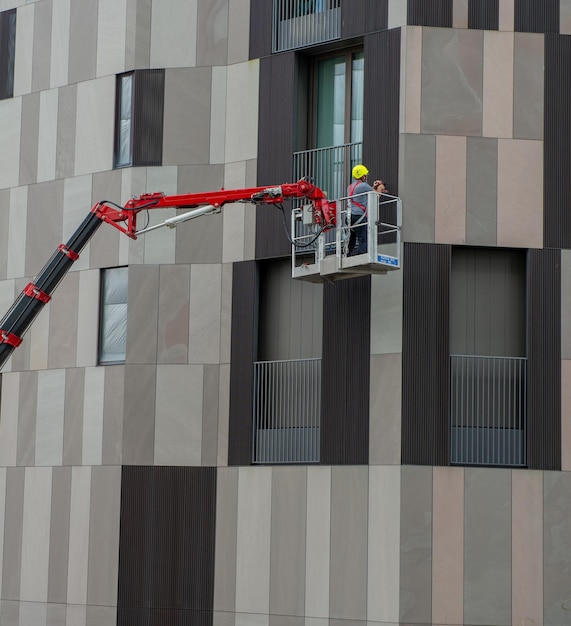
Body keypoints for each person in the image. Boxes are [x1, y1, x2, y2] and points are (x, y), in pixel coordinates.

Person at [347, 164, 386, 256]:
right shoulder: (363, 186)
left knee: (351, 238)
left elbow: (363, 194)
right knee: (363, 237)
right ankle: (362, 255)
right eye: (365, 175)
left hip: (349, 216)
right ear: (362, 176)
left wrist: (373, 187)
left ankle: (346, 254)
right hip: (359, 217)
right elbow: (375, 197)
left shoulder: (350, 187)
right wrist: (380, 188)